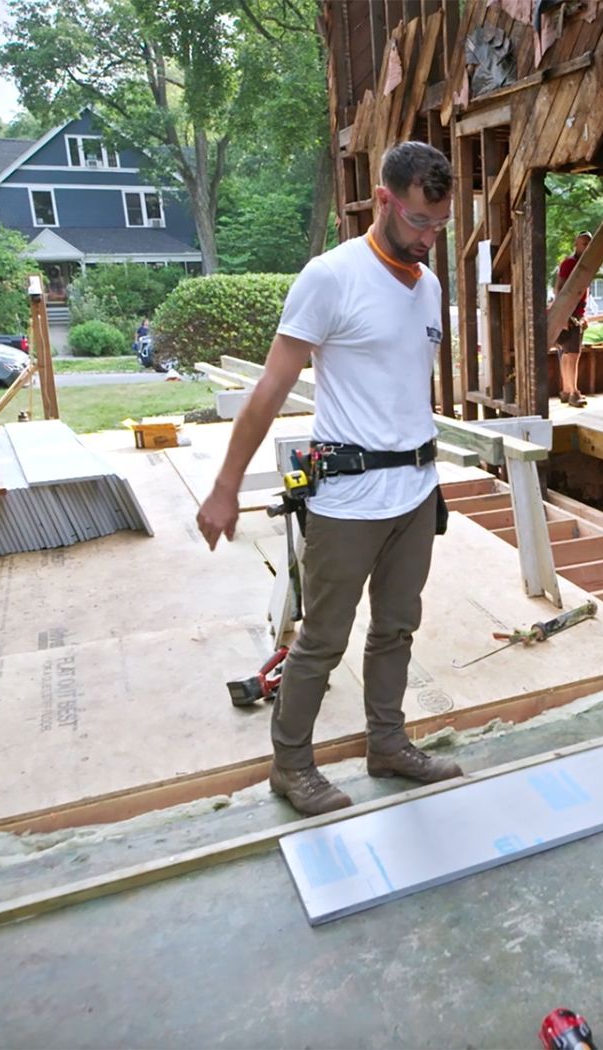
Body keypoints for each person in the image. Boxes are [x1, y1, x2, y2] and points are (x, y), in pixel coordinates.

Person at [196, 141, 463, 816]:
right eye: (418, 223)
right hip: (348, 498)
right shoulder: (330, 277)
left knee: (397, 627)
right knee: (321, 639)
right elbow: (269, 388)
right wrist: (226, 486)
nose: (429, 239)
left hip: (415, 491)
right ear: (382, 201)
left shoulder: (427, 283)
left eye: (439, 226)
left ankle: (388, 743)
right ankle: (290, 766)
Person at [555, 231, 592, 406]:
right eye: (583, 244)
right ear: (576, 245)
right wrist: (564, 315)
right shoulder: (569, 264)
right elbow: (560, 289)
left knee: (567, 353)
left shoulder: (586, 265)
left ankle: (567, 390)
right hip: (569, 314)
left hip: (577, 314)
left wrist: (583, 315)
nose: (587, 247)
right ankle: (573, 392)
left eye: (589, 244)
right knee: (573, 355)